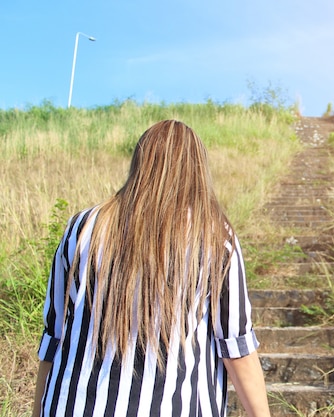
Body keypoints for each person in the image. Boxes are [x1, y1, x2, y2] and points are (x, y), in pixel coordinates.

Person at [32, 120, 271, 417]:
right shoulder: (213, 235)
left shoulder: (80, 229)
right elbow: (236, 349)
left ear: (139, 163)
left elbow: (54, 336)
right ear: (197, 169)